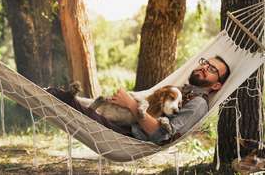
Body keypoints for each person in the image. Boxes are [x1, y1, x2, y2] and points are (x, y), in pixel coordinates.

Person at [48, 56, 230, 144]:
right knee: (70, 102)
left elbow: (163, 136)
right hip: (125, 124)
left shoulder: (198, 103)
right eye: (205, 63)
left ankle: (49, 94)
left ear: (216, 86)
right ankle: (52, 94)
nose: (205, 67)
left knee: (65, 102)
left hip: (129, 137)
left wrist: (130, 104)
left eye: (213, 70)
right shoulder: (181, 90)